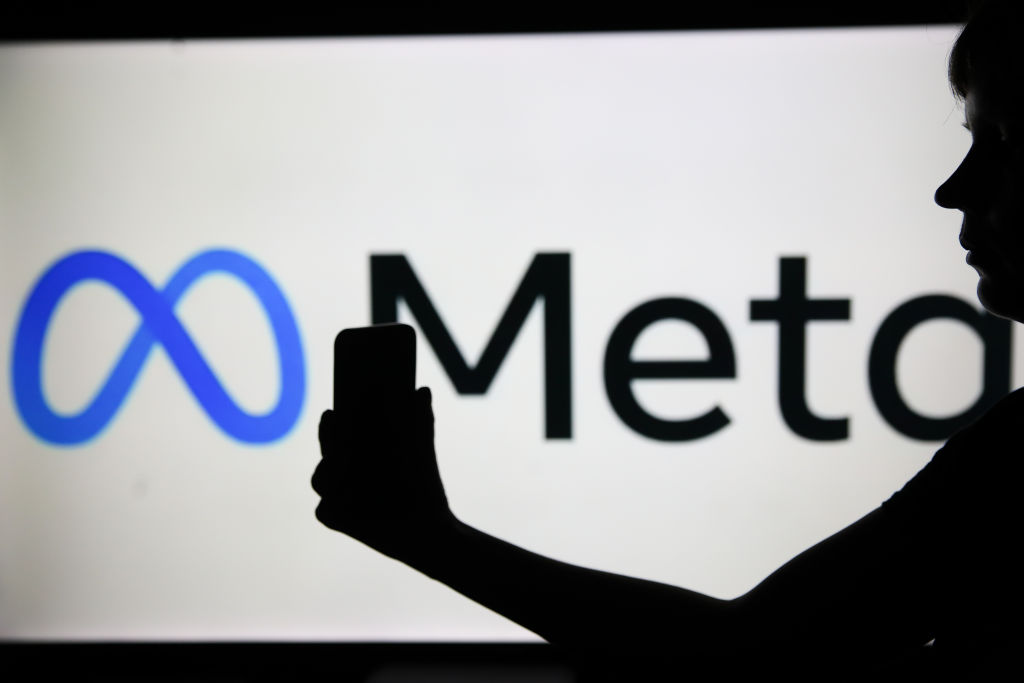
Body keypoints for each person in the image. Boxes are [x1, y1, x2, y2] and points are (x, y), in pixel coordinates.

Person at [313, 0, 1023, 676]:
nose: (953, 188)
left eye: (1003, 143)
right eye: (970, 142)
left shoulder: (1020, 461)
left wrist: (427, 536)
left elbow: (746, 657)